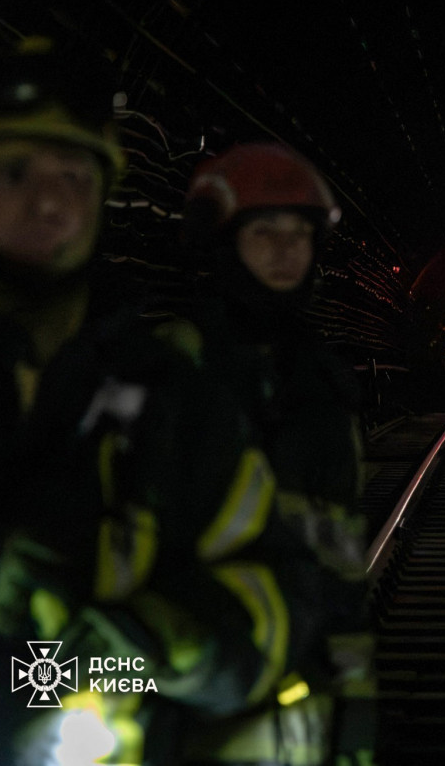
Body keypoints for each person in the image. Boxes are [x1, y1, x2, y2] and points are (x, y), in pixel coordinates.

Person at [0, 36, 294, 764]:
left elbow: (266, 605)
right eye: (12, 173)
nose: (49, 201)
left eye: (75, 176)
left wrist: (158, 642)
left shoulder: (176, 400)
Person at [159, 141, 375, 765]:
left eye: (300, 234)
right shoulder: (169, 369)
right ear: (223, 243)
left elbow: (343, 558)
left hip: (293, 687)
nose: (286, 250)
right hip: (190, 681)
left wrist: (356, 707)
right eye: (264, 232)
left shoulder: (324, 384)